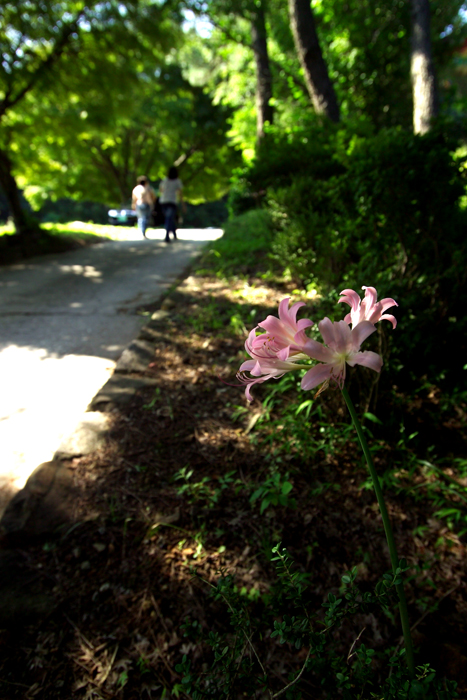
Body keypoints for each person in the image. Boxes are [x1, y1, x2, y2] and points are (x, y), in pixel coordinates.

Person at [159, 166, 186, 243]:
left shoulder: (164, 180)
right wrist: (183, 204)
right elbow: (180, 193)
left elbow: (161, 190)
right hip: (172, 202)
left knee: (169, 218)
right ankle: (167, 236)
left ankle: (172, 234)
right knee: (169, 218)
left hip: (163, 201)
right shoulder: (177, 181)